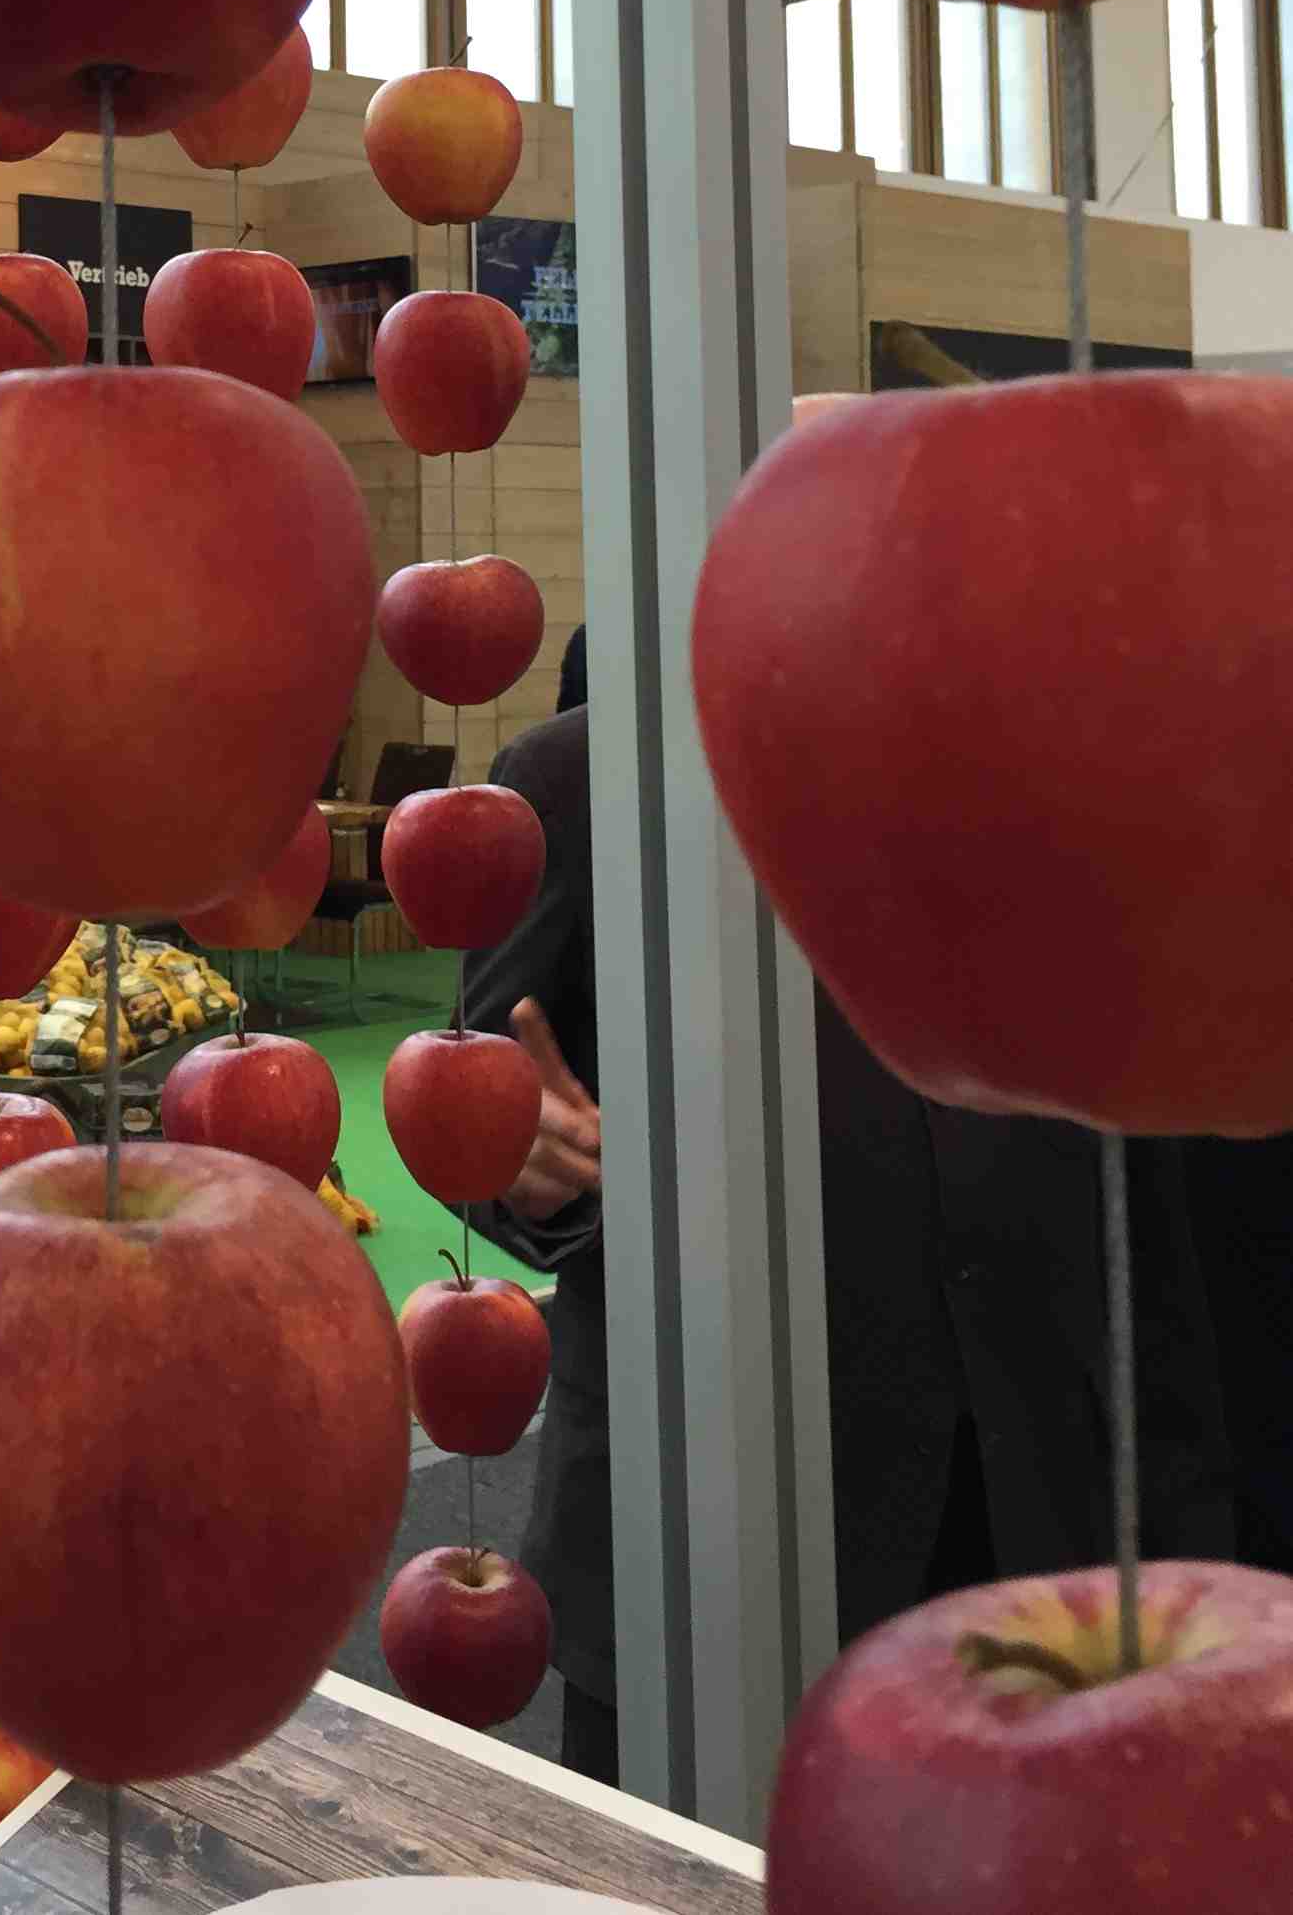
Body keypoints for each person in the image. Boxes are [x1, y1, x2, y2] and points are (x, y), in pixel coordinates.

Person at [468, 698, 1235, 1787]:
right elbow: (490, 1083)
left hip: (1036, 1492)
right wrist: (517, 1157)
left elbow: (1146, 1164)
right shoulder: (577, 781)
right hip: (705, 1527)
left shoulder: (1055, 757)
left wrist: (1184, 1494)